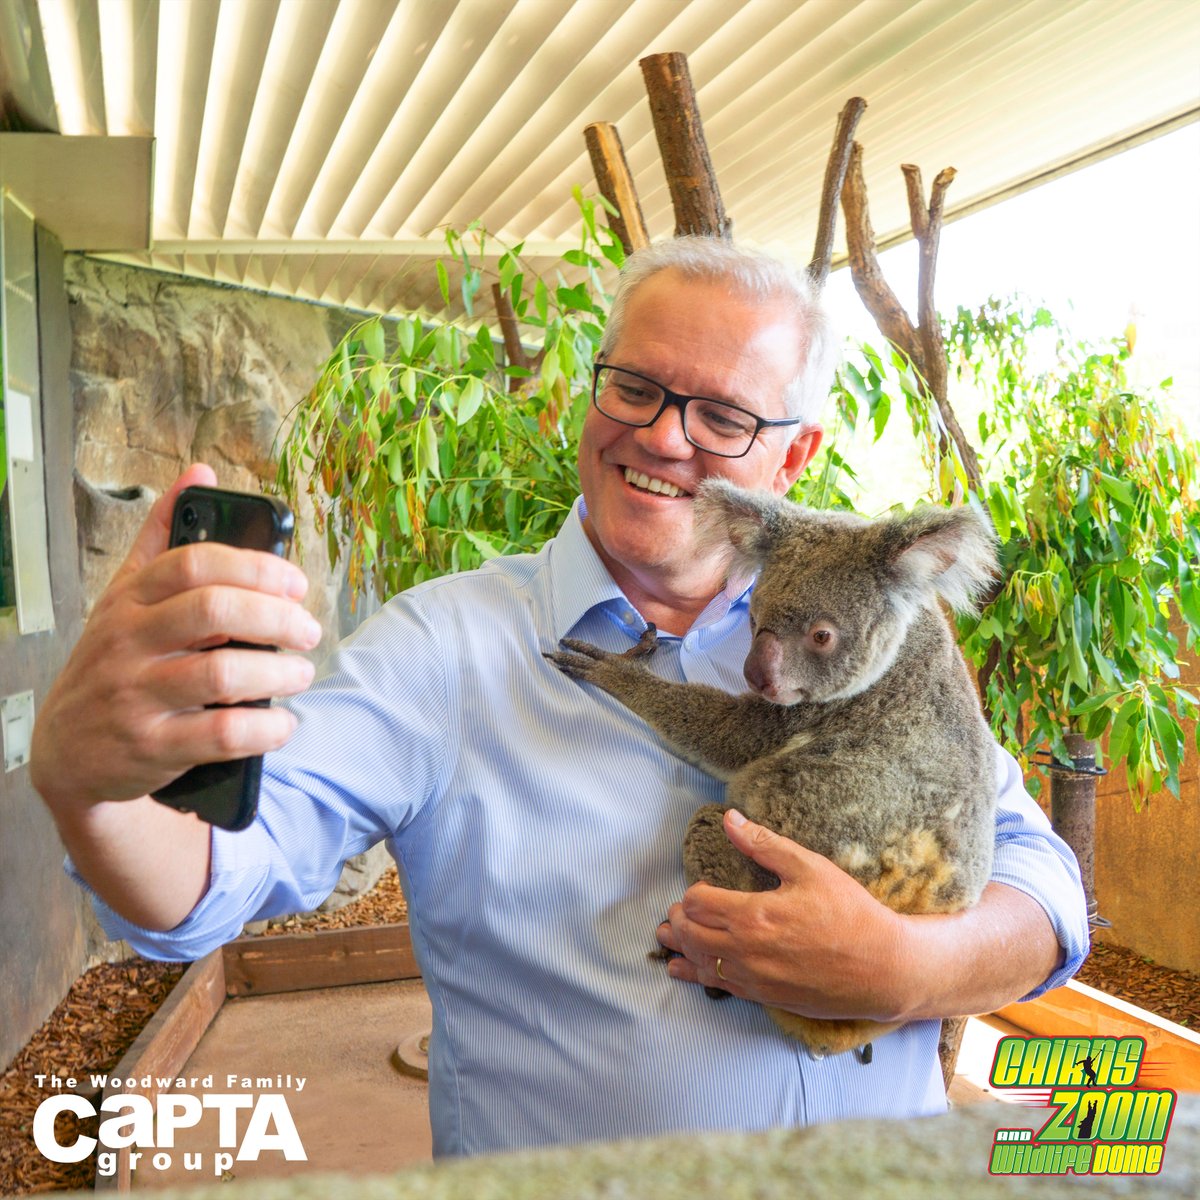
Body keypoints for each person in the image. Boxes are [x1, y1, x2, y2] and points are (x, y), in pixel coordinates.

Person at [32, 237, 1088, 1159]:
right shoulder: (442, 652)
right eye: (636, 387)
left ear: (795, 455)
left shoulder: (874, 635)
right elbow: (203, 887)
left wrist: (911, 968)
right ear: (592, 394)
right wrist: (92, 786)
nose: (667, 437)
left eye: (724, 415)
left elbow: (1042, 881)